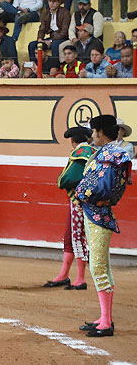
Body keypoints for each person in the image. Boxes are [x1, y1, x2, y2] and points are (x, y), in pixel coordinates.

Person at [75, 115, 131, 338]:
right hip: (96, 212)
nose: (92, 136)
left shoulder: (109, 154)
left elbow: (102, 186)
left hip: (98, 213)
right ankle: (104, 317)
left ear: (99, 131)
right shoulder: (110, 153)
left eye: (93, 132)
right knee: (101, 266)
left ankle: (106, 322)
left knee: (98, 267)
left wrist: (83, 194)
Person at [44, 126, 96, 290]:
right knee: (70, 236)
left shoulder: (81, 152)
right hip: (83, 201)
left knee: (77, 237)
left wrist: (62, 182)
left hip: (80, 202)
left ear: (73, 140)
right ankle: (64, 275)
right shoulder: (93, 151)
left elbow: (69, 178)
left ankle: (80, 278)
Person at [28, 0, 70, 68]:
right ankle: (33, 67)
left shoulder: (65, 12)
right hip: (51, 37)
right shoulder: (46, 13)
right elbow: (42, 29)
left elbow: (64, 32)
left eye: (54, 1)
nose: (51, 3)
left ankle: (56, 68)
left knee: (54, 45)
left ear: (59, 2)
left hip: (62, 38)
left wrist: (51, 41)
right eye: (50, 1)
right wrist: (40, 38)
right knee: (32, 45)